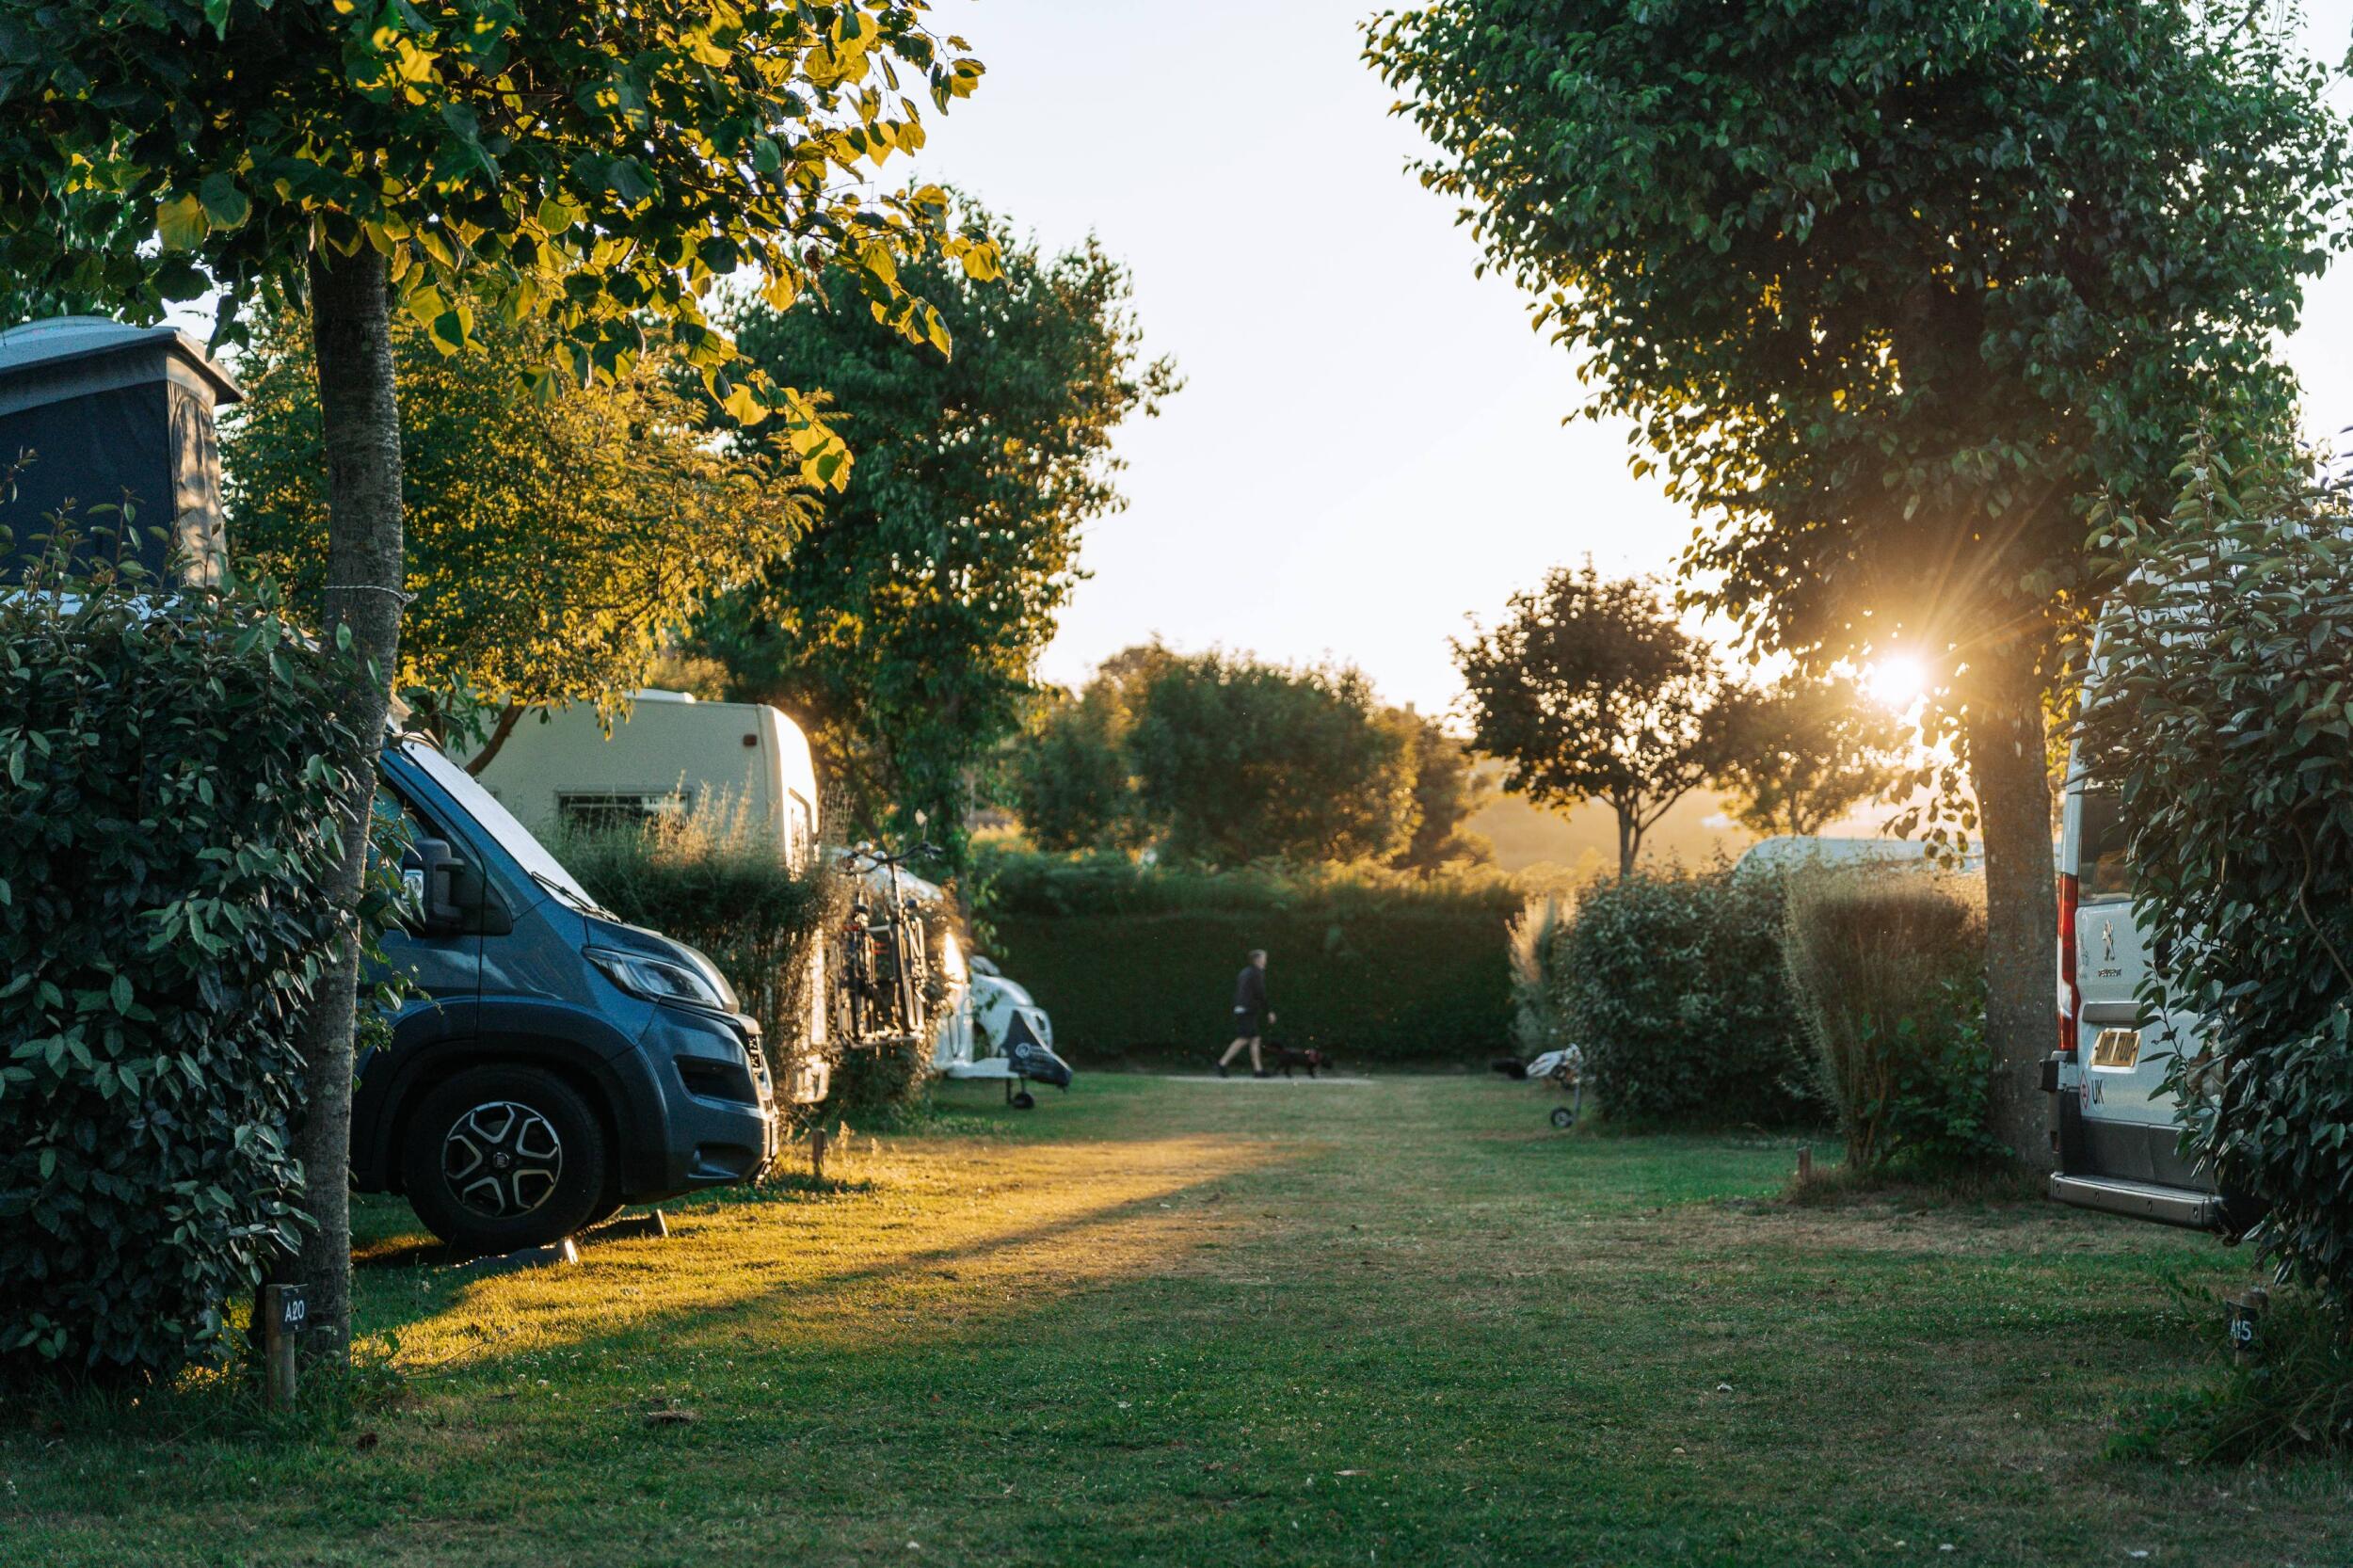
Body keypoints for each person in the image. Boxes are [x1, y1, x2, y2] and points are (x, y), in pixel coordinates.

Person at [1216, 948, 1273, 1079]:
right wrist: (1268, 1011)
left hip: (1242, 1008)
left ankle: (1258, 1070)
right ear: (1258, 960)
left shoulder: (1245, 972)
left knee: (1255, 1039)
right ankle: (1222, 1063)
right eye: (1264, 958)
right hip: (1248, 1009)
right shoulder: (1256, 973)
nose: (1265, 961)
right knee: (1244, 1038)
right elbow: (1260, 993)